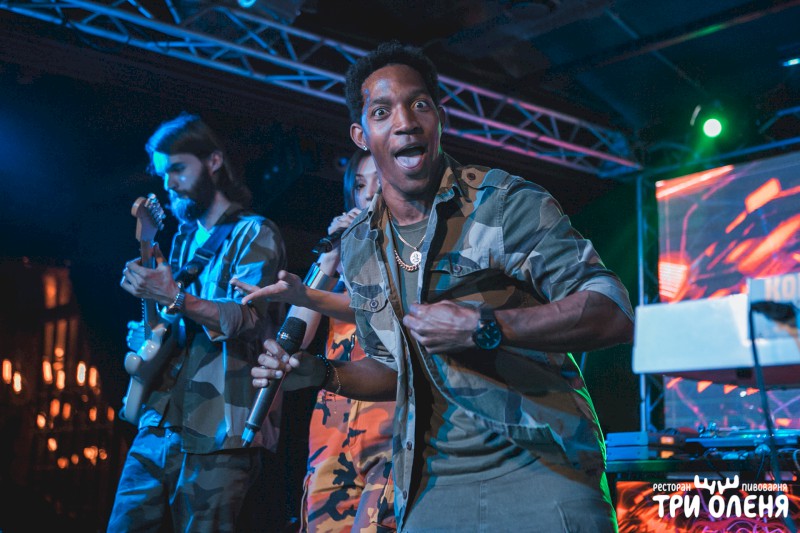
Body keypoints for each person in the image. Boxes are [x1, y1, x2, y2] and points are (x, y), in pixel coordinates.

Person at [251, 41, 634, 532]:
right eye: (382, 112)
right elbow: (394, 368)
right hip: (431, 487)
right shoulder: (360, 246)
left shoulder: (502, 203)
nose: (405, 122)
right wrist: (322, 373)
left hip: (541, 469)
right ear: (361, 136)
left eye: (419, 105)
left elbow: (612, 311)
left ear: (439, 120)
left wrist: (486, 326)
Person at [110, 113, 287, 532]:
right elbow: (179, 320)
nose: (169, 183)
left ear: (213, 162)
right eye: (162, 173)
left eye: (177, 168)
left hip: (221, 430)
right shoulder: (184, 240)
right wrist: (152, 329)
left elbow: (247, 317)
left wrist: (175, 296)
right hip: (159, 421)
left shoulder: (255, 232)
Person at [234, 149, 396, 533]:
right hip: (333, 433)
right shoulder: (340, 268)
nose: (368, 194)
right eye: (360, 185)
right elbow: (296, 335)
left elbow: (380, 315)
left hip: (387, 430)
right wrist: (327, 265)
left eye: (379, 182)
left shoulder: (409, 256)